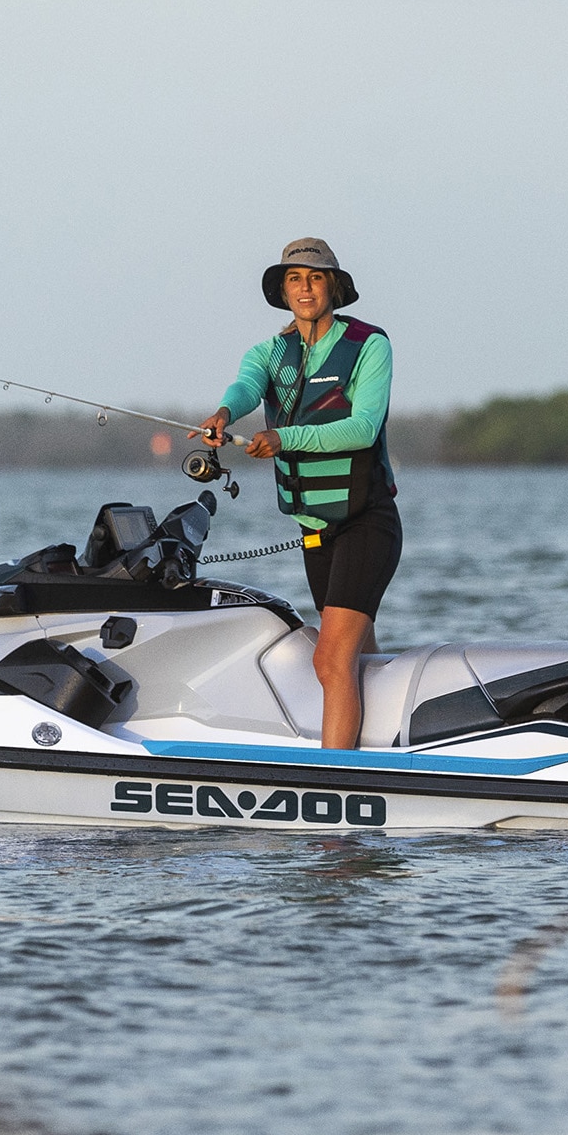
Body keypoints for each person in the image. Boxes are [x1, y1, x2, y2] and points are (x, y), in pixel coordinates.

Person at [192, 237, 401, 750]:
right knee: (358, 659)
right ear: (283, 291)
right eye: (294, 279)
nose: (304, 288)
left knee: (329, 659)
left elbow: (362, 430)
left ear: (333, 285)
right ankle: (383, 757)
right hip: (314, 531)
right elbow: (245, 387)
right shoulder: (269, 353)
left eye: (314, 277)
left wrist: (284, 438)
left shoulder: (369, 345)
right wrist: (223, 415)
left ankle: (336, 784)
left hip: (366, 522)